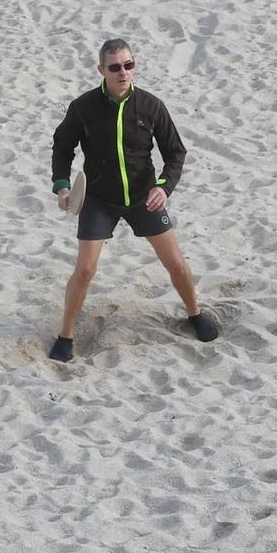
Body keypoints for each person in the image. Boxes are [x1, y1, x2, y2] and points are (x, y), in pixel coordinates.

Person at [49, 40, 220, 359]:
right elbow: (62, 146)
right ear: (101, 70)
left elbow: (175, 153)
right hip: (98, 199)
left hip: (144, 198)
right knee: (84, 270)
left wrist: (163, 188)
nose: (123, 72)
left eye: (128, 65)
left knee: (175, 262)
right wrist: (62, 186)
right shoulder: (83, 108)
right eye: (114, 67)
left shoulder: (151, 106)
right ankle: (65, 335)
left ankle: (195, 314)